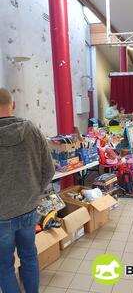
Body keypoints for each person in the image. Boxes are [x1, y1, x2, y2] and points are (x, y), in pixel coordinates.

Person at [0, 88, 55, 293]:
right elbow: (49, 170)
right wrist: (34, 192)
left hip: (2, 216)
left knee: (4, 265)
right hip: (29, 210)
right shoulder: (31, 129)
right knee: (29, 257)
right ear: (13, 105)